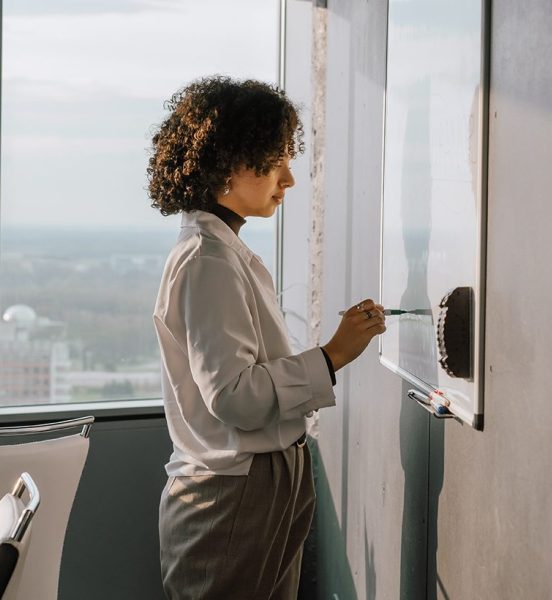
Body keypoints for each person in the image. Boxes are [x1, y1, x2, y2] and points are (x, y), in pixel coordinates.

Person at [147, 76, 386, 599]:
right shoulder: (208, 260)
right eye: (274, 160)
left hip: (257, 483)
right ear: (226, 167)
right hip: (234, 494)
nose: (290, 178)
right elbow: (234, 397)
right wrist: (333, 355)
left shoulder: (220, 251)